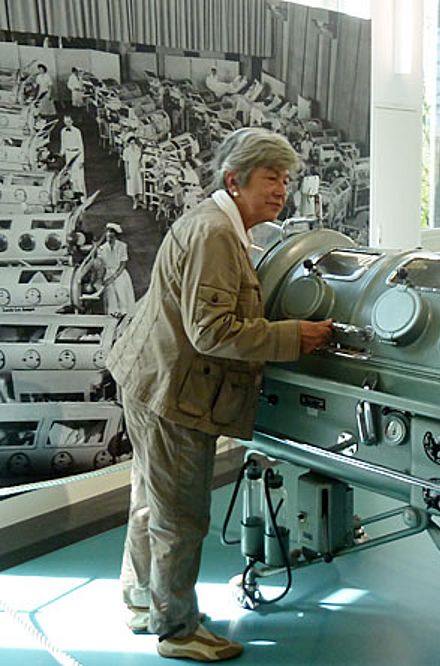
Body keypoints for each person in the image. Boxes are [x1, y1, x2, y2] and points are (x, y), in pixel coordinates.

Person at [106, 128, 333, 662]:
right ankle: (177, 629)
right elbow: (210, 331)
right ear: (235, 181)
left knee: (151, 501)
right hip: (175, 393)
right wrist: (292, 336)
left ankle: (144, 600)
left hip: (151, 378)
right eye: (271, 178)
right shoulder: (214, 234)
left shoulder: (216, 225)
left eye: (286, 180)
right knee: (180, 516)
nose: (281, 191)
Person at [98, 223, 135, 316]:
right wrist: (101, 279)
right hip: (108, 275)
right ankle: (113, 315)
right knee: (111, 297)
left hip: (120, 274)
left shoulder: (122, 246)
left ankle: (125, 315)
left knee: (122, 295)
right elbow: (101, 266)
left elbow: (123, 264)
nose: (109, 238)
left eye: (111, 235)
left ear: (115, 236)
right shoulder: (102, 248)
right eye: (107, 235)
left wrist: (113, 277)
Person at [59, 114, 86, 200]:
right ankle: (74, 195)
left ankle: (82, 197)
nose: (67, 123)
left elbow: (81, 146)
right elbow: (63, 144)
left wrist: (81, 160)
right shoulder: (63, 131)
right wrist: (61, 154)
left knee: (79, 176)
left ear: (72, 121)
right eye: (65, 122)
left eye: (68, 121)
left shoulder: (77, 131)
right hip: (68, 154)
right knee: (71, 176)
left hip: (76, 154)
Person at [122, 136, 143, 209]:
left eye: (134, 143)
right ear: (128, 144)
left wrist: (140, 166)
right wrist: (127, 173)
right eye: (131, 143)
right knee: (132, 187)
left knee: (139, 185)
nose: (132, 145)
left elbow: (140, 159)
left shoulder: (138, 149)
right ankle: (135, 201)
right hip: (131, 169)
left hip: (138, 169)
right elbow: (126, 163)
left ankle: (140, 200)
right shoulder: (126, 151)